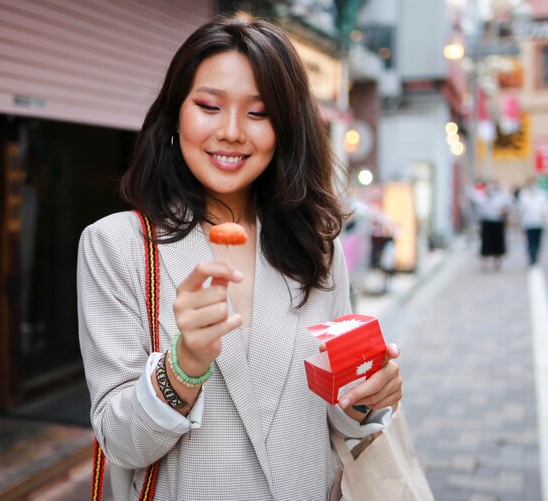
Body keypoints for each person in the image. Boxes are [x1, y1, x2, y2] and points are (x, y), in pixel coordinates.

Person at [77, 13, 402, 501]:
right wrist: (184, 366)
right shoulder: (117, 246)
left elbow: (336, 414)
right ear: (176, 115)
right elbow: (120, 443)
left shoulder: (317, 246)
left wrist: (366, 399)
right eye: (209, 105)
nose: (231, 132)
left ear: (287, 129)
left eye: (258, 113)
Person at [472, 181, 513, 271]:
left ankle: (497, 263)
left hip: (498, 223)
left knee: (498, 244)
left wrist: (504, 213)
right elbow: (477, 212)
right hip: (486, 223)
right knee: (485, 244)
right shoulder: (481, 198)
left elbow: (507, 208)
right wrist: (477, 225)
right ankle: (484, 264)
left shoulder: (501, 198)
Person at [517, 178, 548, 266]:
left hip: (539, 222)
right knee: (530, 241)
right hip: (528, 222)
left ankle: (536, 255)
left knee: (538, 241)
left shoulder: (542, 194)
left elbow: (545, 206)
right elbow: (521, 207)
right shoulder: (524, 194)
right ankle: (531, 256)